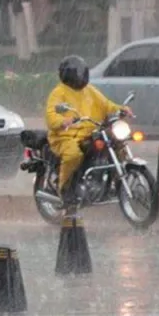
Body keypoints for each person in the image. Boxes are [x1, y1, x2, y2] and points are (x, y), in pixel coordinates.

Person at [45, 56, 133, 212]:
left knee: (115, 143)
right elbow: (51, 114)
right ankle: (65, 189)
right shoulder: (58, 92)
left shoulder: (89, 90)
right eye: (76, 73)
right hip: (65, 136)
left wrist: (120, 109)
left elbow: (106, 104)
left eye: (81, 73)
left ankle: (112, 181)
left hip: (90, 132)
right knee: (73, 155)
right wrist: (62, 121)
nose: (80, 77)